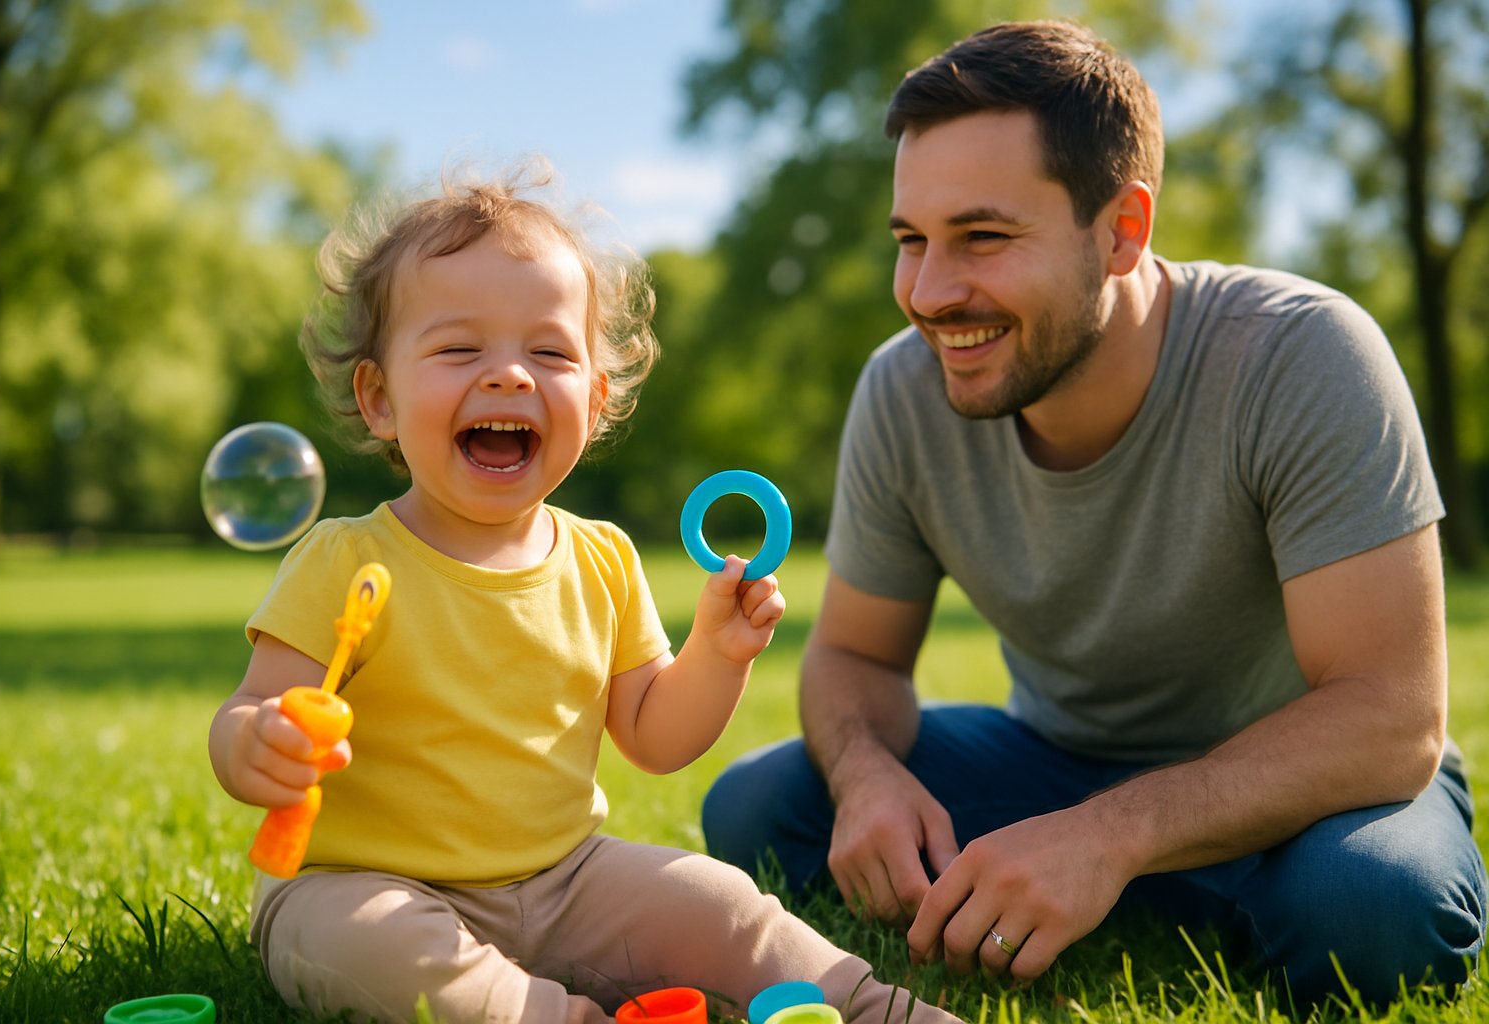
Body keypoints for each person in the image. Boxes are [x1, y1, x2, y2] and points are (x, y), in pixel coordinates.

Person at [702, 20, 1487, 1008]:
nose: (929, 293)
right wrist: (865, 779)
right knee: (762, 804)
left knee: (1375, 907)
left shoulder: (1304, 356)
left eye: (982, 237)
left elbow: (1387, 718)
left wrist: (1109, 836)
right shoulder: (902, 391)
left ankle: (1115, 881)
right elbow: (857, 656)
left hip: (1306, 791)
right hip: (1053, 763)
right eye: (911, 241)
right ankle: (1116, 888)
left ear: (1122, 229)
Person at [207, 165, 962, 1024]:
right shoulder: (344, 559)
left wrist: (715, 655)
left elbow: (656, 734)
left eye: (550, 352)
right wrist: (259, 741)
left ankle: (869, 1008)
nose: (510, 376)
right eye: (460, 349)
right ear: (379, 399)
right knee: (371, 945)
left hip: (567, 882)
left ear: (596, 399)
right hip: (363, 882)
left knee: (717, 898)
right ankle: (555, 1015)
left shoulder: (601, 558)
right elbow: (247, 713)